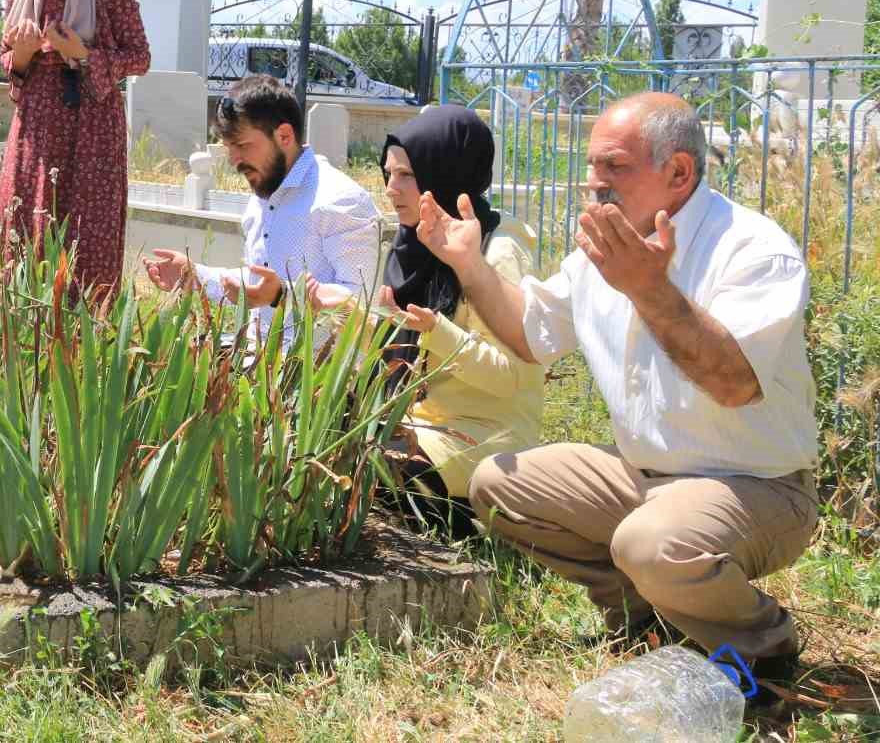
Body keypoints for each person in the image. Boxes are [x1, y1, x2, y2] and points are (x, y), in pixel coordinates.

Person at [417, 92, 818, 678]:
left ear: (678, 171)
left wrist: (646, 287)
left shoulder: (751, 249)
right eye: (591, 166)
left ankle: (763, 651)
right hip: (647, 477)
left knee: (652, 544)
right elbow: (530, 336)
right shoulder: (604, 251)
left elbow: (733, 383)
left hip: (758, 486)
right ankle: (648, 621)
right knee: (500, 483)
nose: (592, 183)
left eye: (614, 167)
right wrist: (469, 264)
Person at [308, 105, 545, 538]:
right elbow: (398, 352)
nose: (391, 189)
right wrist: (344, 315)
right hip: (418, 422)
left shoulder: (498, 253)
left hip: (483, 433)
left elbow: (512, 377)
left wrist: (436, 330)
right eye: (388, 174)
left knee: (366, 473)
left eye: (406, 176)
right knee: (312, 437)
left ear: (444, 173)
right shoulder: (413, 246)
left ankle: (479, 518)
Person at [143, 75, 380, 346]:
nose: (234, 160)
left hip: (316, 378)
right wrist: (195, 275)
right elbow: (259, 284)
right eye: (229, 147)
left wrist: (283, 295)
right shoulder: (263, 195)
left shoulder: (340, 200)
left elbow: (364, 311)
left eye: (243, 146)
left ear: (284, 136)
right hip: (257, 362)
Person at [0, 0, 151, 296]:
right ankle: (26, 342)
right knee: (24, 231)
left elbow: (139, 58)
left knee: (87, 239)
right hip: (35, 131)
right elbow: (8, 60)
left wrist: (82, 54)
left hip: (91, 131)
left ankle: (85, 346)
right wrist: (23, 55)